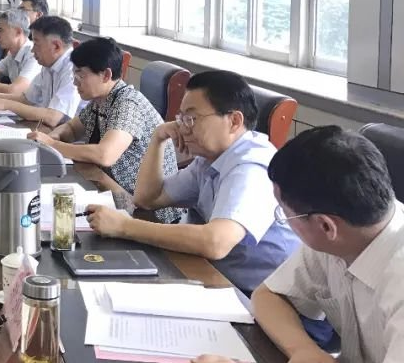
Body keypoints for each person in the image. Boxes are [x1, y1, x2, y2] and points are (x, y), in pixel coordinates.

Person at [183, 126, 404, 363]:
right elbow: (269, 295)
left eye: (284, 214)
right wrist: (302, 349)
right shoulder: (344, 234)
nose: (285, 221)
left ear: (325, 226)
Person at [83, 70, 299, 295]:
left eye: (192, 119)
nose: (183, 128)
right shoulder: (208, 160)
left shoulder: (251, 168)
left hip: (258, 297)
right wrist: (158, 138)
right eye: (182, 118)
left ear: (234, 121)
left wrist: (124, 227)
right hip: (215, 276)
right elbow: (147, 199)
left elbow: (215, 243)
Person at [31, 37, 182, 223]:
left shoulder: (128, 103)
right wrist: (53, 137)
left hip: (148, 212)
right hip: (116, 191)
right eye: (74, 75)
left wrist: (52, 144)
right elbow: (71, 128)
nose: (75, 83)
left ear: (106, 75)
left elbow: (105, 155)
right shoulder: (101, 100)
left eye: (81, 76)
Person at [0, 15, 78, 128]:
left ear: (56, 46)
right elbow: (26, 99)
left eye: (36, 44)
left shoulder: (74, 69)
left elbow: (53, 117)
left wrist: (6, 104)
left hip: (72, 136)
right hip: (50, 130)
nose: (32, 50)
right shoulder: (48, 65)